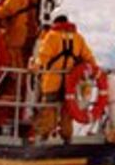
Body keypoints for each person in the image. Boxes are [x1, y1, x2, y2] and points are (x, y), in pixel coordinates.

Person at [30, 12, 97, 142]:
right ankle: (67, 138)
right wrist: (94, 70)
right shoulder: (78, 38)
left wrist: (35, 67)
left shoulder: (52, 36)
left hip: (52, 80)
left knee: (49, 109)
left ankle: (43, 138)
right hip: (70, 81)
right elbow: (88, 57)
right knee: (67, 109)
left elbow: (43, 56)